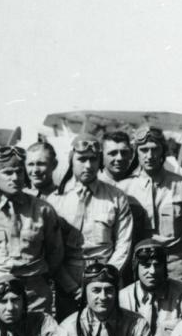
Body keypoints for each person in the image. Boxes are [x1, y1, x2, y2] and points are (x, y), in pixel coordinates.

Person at [0, 145, 79, 330]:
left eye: (19, 172)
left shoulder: (43, 210)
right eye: (8, 173)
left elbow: (55, 252)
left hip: (33, 292)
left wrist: (37, 277)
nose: (15, 178)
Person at [49, 133, 136, 316]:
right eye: (82, 159)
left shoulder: (116, 197)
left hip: (107, 279)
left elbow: (123, 244)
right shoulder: (56, 200)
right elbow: (52, 252)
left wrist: (106, 279)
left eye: (93, 159)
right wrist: (72, 288)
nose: (88, 166)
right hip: (68, 279)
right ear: (71, 160)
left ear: (100, 161)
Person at [115, 127, 182, 283]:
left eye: (155, 149)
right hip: (141, 264)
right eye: (144, 150)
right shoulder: (124, 189)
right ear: (136, 152)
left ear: (163, 151)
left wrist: (181, 259)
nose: (149, 156)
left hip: (175, 264)